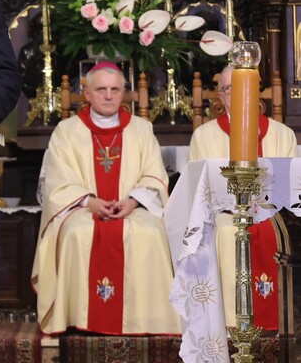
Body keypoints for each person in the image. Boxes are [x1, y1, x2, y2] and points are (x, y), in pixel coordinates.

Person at [32, 62, 180, 334]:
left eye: (115, 89)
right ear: (86, 93)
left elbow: (154, 175)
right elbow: (58, 180)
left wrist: (133, 201)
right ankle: (75, 314)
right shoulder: (67, 131)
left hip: (132, 208)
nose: (109, 96)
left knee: (149, 233)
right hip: (83, 209)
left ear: (124, 92)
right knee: (78, 233)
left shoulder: (141, 129)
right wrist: (90, 202)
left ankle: (148, 317)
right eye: (101, 89)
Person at [187, 65, 297, 330]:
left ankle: (283, 323)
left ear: (256, 91)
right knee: (226, 235)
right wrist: (237, 205)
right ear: (220, 97)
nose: (237, 94)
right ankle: (231, 325)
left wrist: (266, 203)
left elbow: (293, 183)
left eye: (243, 87)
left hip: (275, 217)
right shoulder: (203, 136)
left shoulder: (283, 134)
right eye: (228, 88)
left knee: (283, 236)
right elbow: (199, 189)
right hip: (225, 216)